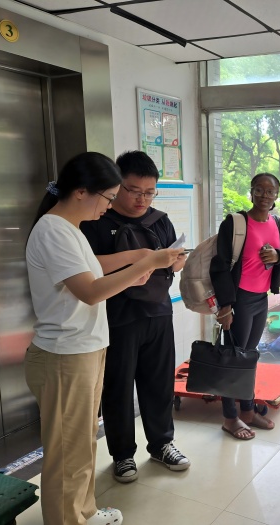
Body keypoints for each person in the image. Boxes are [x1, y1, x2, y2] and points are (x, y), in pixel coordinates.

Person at [25, 152, 182, 525]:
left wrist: (140, 257)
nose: (109, 206)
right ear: (82, 191)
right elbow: (91, 291)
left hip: (84, 348)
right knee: (67, 453)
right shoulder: (53, 231)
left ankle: (85, 511)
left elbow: (95, 267)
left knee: (81, 446)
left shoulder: (70, 228)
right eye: (110, 197)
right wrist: (145, 264)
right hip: (64, 355)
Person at [80, 151, 190, 483]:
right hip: (117, 318)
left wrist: (176, 261)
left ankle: (161, 444)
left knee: (159, 383)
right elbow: (87, 266)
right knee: (117, 387)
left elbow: (172, 260)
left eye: (149, 192)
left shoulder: (160, 220)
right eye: (133, 191)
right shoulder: (96, 221)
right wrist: (141, 258)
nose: (142, 199)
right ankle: (122, 455)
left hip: (159, 312)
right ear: (117, 186)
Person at [210, 173, 280, 440]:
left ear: (277, 196)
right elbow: (219, 266)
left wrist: (278, 255)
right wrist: (225, 306)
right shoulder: (235, 223)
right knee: (234, 358)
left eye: (270, 192)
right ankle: (230, 417)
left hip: (261, 299)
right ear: (251, 192)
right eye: (259, 190)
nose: (264, 196)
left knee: (249, 356)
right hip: (238, 299)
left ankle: (247, 411)